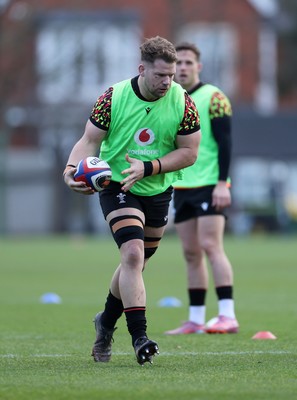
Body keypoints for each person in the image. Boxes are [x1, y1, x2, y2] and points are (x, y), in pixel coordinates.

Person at [63, 36, 201, 364]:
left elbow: (189, 153)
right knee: (133, 253)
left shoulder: (183, 102)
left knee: (136, 263)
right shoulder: (113, 97)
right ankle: (140, 338)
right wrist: (70, 170)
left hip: (157, 189)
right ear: (142, 69)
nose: (169, 81)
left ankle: (106, 322)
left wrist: (150, 167)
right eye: (161, 75)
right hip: (116, 184)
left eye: (172, 75)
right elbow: (89, 140)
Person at [165, 42, 239, 335]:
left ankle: (227, 315)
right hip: (182, 185)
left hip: (210, 184)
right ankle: (195, 319)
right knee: (190, 253)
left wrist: (223, 183)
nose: (182, 67)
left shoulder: (215, 97)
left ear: (199, 66)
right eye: (178, 63)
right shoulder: (170, 97)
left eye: (187, 62)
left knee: (211, 246)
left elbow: (226, 143)